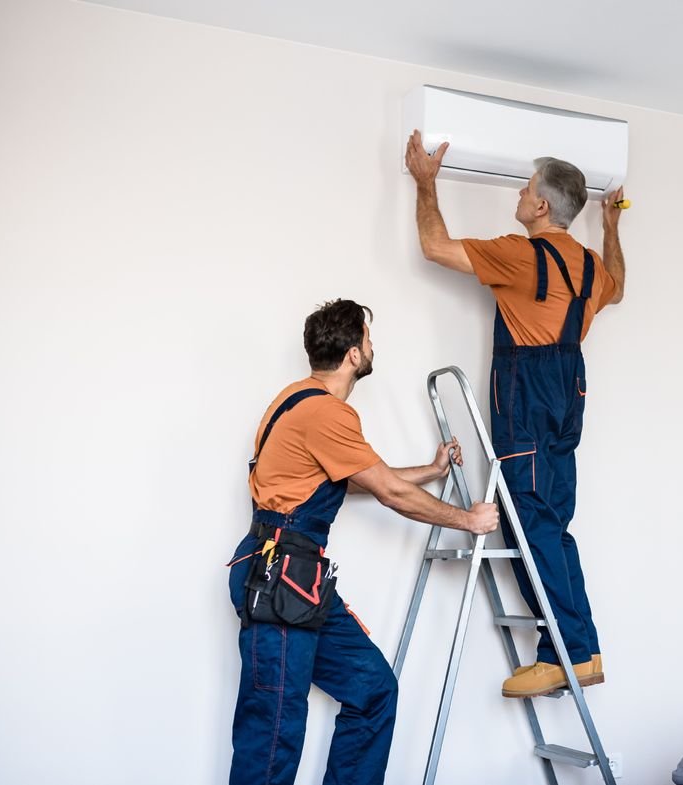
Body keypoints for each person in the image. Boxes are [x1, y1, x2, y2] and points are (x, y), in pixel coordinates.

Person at [225, 298, 498, 785]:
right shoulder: (327, 413)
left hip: (294, 579)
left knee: (371, 689)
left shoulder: (293, 401)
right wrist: (470, 519)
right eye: (369, 338)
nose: (373, 347)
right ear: (354, 354)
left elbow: (349, 479)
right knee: (272, 731)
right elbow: (388, 492)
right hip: (281, 579)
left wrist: (429, 471)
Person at [404, 130, 627, 699]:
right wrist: (611, 229)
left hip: (526, 400)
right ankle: (581, 649)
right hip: (569, 393)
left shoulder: (520, 253)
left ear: (543, 205)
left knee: (530, 526)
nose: (522, 195)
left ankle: (569, 653)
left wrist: (425, 184)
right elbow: (619, 288)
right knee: (554, 525)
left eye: (527, 189)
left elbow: (435, 245)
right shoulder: (592, 269)